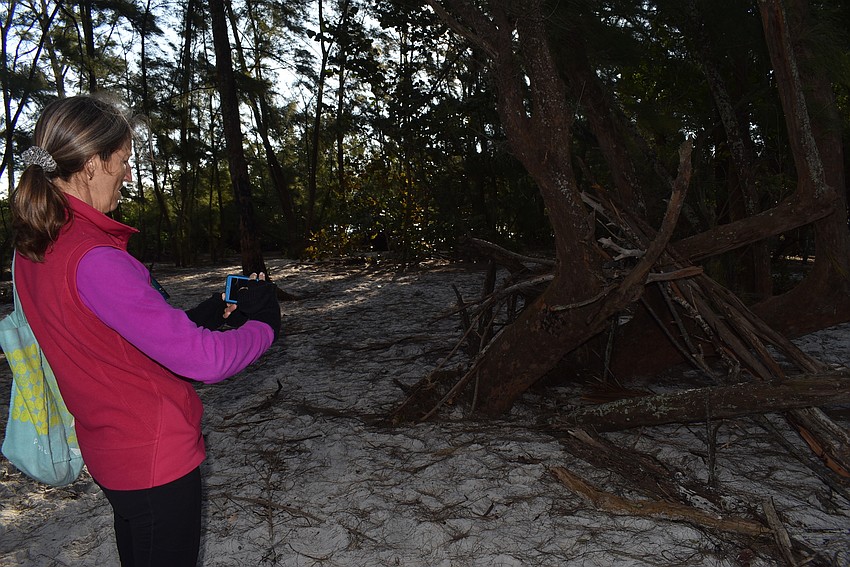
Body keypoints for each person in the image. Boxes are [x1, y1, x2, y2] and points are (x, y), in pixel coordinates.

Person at [10, 94, 281, 567]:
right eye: (124, 160)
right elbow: (204, 361)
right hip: (154, 455)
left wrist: (211, 312)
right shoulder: (96, 258)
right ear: (93, 164)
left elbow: (108, 338)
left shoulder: (35, 249)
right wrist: (264, 326)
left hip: (111, 449)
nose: (130, 175)